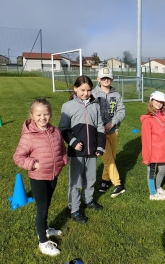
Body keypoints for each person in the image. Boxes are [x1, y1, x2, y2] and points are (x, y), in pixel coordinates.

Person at [13, 98, 68, 257]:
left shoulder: (56, 131)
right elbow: (18, 157)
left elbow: (62, 149)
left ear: (51, 114)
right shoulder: (29, 136)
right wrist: (32, 164)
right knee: (42, 209)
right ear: (31, 115)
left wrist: (64, 159)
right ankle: (43, 242)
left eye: (46, 114)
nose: (42, 118)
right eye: (38, 115)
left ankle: (44, 229)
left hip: (53, 175)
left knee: (47, 204)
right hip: (38, 177)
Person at [58, 75, 106, 223]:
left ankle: (89, 200)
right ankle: (74, 209)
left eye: (89, 90)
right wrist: (73, 142)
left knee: (90, 178)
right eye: (82, 90)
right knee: (75, 181)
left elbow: (100, 128)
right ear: (75, 89)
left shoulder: (95, 106)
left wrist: (99, 146)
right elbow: (63, 128)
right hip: (76, 152)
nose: (86, 93)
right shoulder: (68, 106)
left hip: (92, 150)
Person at [92, 67, 126, 198]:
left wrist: (112, 122)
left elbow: (122, 111)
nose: (106, 80)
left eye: (108, 78)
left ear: (112, 79)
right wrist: (99, 127)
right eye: (103, 78)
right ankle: (118, 184)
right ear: (98, 79)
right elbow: (90, 112)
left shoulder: (116, 95)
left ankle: (105, 181)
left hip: (113, 130)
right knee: (108, 158)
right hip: (99, 133)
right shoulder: (93, 94)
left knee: (112, 157)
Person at [140, 91, 165, 200]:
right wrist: (147, 155)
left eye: (161, 101)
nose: (159, 103)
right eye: (157, 100)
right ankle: (153, 194)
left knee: (163, 169)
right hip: (153, 151)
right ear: (151, 101)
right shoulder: (148, 119)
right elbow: (146, 139)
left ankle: (158, 187)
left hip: (163, 150)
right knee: (151, 172)